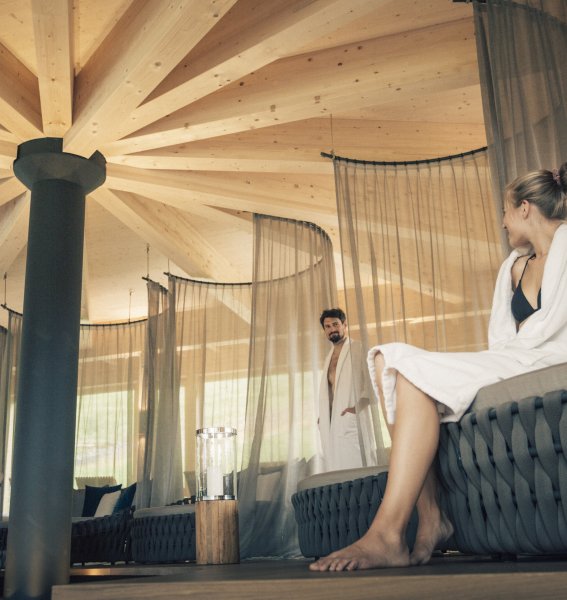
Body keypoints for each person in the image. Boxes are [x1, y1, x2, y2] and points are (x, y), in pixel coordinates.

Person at [310, 162, 567, 571]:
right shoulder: (515, 265)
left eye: (504, 211)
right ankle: (427, 518)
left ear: (524, 208)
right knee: (388, 361)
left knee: (401, 366)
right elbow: (504, 339)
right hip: (515, 357)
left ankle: (388, 534)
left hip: (552, 359)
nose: (501, 222)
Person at [317, 308, 377, 471]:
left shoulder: (358, 348)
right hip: (331, 421)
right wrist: (322, 417)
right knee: (336, 470)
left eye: (335, 324)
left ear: (344, 325)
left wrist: (356, 409)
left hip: (351, 419)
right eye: (327, 327)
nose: (332, 329)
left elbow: (372, 384)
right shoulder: (328, 358)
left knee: (358, 468)